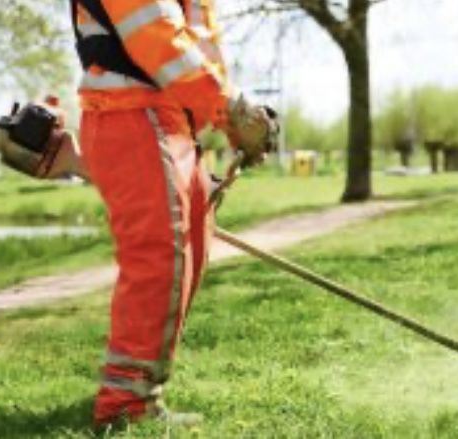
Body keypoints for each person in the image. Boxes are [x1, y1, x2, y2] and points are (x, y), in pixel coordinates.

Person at [69, 0, 278, 428]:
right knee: (160, 261)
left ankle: (140, 390)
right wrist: (229, 108)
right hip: (131, 109)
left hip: (166, 116)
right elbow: (157, 34)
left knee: (190, 251)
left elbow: (194, 41)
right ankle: (126, 405)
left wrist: (226, 117)